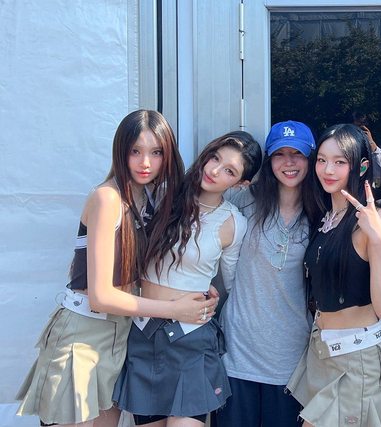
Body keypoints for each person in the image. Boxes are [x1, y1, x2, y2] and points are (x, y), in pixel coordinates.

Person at [16, 110, 217, 427]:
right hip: (84, 334)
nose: (145, 162)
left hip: (120, 336)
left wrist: (196, 289)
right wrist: (174, 310)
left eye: (156, 152)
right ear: (120, 151)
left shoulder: (148, 198)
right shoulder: (108, 198)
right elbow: (101, 296)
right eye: (135, 151)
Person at [112, 131, 262, 426]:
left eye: (229, 171)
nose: (214, 171)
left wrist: (211, 294)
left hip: (192, 339)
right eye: (215, 158)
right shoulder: (162, 195)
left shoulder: (233, 222)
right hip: (144, 333)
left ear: (241, 183)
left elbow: (231, 283)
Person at [286, 123, 381, 427]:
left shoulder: (373, 219)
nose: (328, 170)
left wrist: (379, 242)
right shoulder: (325, 216)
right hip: (321, 352)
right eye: (322, 160)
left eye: (339, 162)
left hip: (356, 357)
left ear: (361, 166)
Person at [217, 120, 320, 427]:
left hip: (291, 357)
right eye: (280, 154)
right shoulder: (244, 199)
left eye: (297, 154)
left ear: (311, 158)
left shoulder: (321, 211)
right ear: (268, 160)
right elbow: (199, 212)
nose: (289, 162)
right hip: (238, 352)